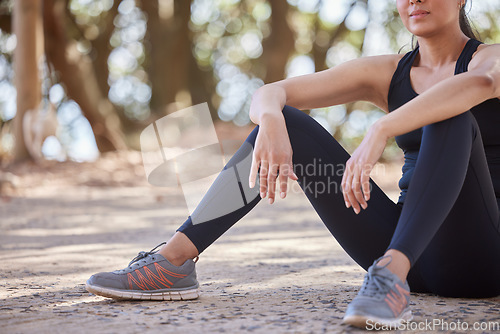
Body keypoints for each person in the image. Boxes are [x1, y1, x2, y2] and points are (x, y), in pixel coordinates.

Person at [86, 0, 500, 329]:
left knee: (451, 113)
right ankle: (173, 261)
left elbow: (476, 87)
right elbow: (270, 92)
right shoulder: (389, 71)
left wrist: (382, 129)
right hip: (402, 248)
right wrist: (269, 120)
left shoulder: (490, 59)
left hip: (480, 256)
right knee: (287, 121)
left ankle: (390, 277)